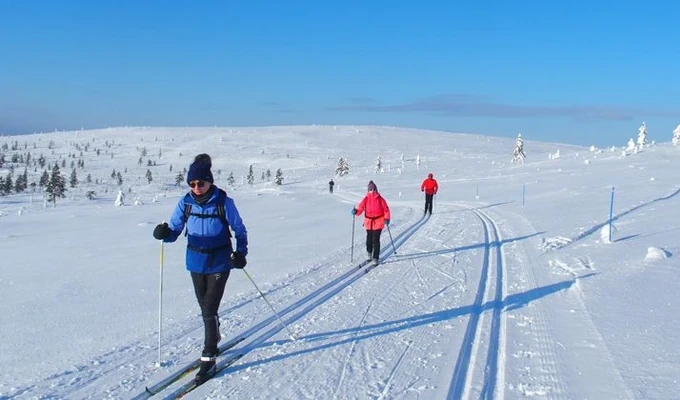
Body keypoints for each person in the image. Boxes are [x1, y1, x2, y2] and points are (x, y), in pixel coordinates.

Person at [152, 153, 248, 384]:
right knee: (205, 306)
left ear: (209, 181)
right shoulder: (185, 203)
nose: (196, 187)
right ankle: (214, 334)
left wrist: (241, 252)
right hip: (195, 261)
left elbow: (239, 229)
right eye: (192, 184)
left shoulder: (224, 202)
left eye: (200, 183)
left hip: (220, 260)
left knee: (208, 307)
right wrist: (164, 234)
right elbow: (174, 230)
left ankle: (209, 354)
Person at [351, 180, 391, 266]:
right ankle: (369, 253)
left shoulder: (380, 199)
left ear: (376, 189)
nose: (372, 191)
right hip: (369, 222)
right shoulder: (365, 199)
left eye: (373, 189)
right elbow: (360, 209)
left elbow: (386, 210)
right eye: (370, 189)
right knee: (369, 239)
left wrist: (387, 218)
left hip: (379, 221)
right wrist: (355, 211)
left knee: (376, 240)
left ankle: (376, 257)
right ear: (368, 190)